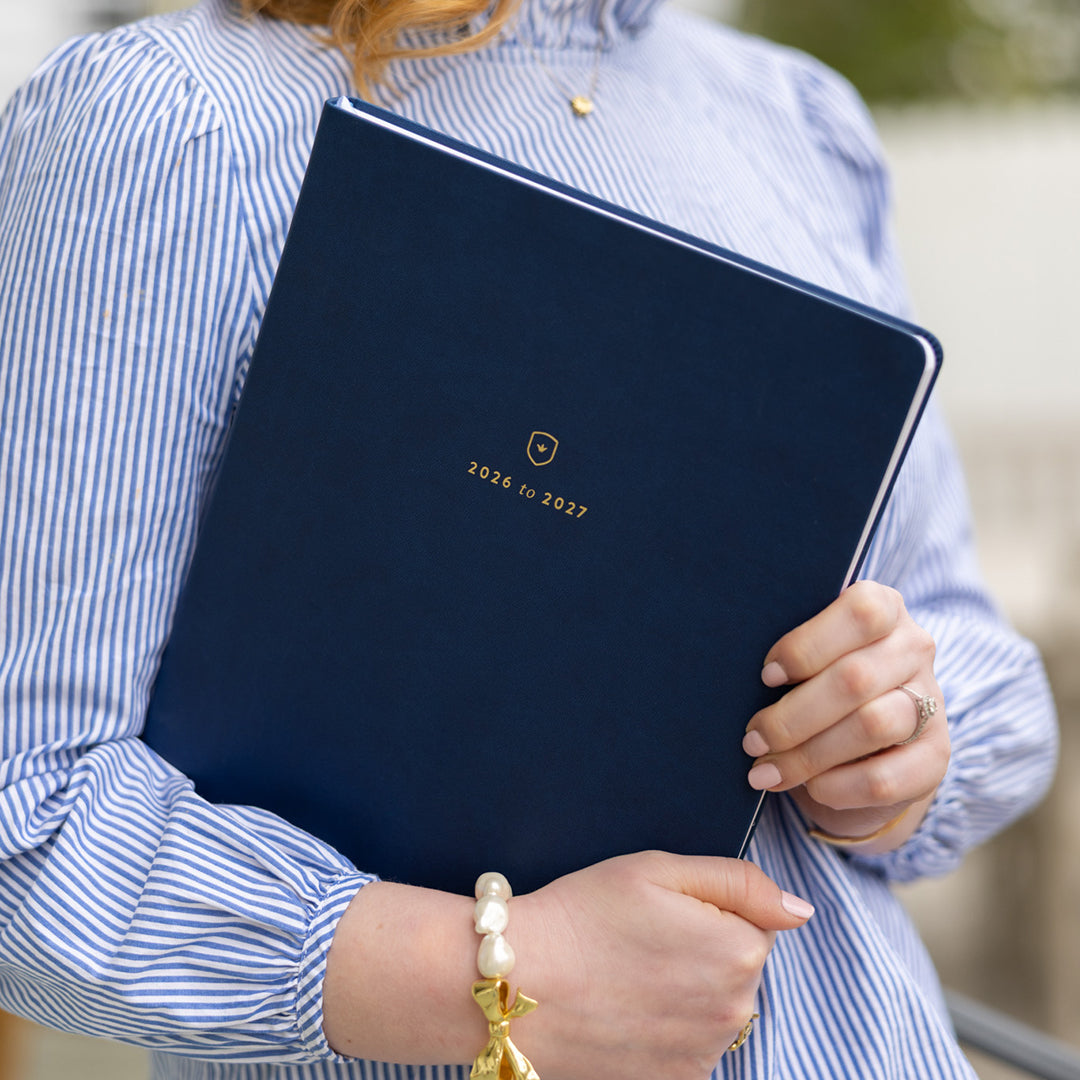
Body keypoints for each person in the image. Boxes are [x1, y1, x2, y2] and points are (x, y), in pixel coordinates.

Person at [0, 0, 1057, 1076]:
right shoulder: (170, 118)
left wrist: (895, 735)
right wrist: (491, 976)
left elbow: (973, 656)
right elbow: (26, 806)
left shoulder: (797, 115)